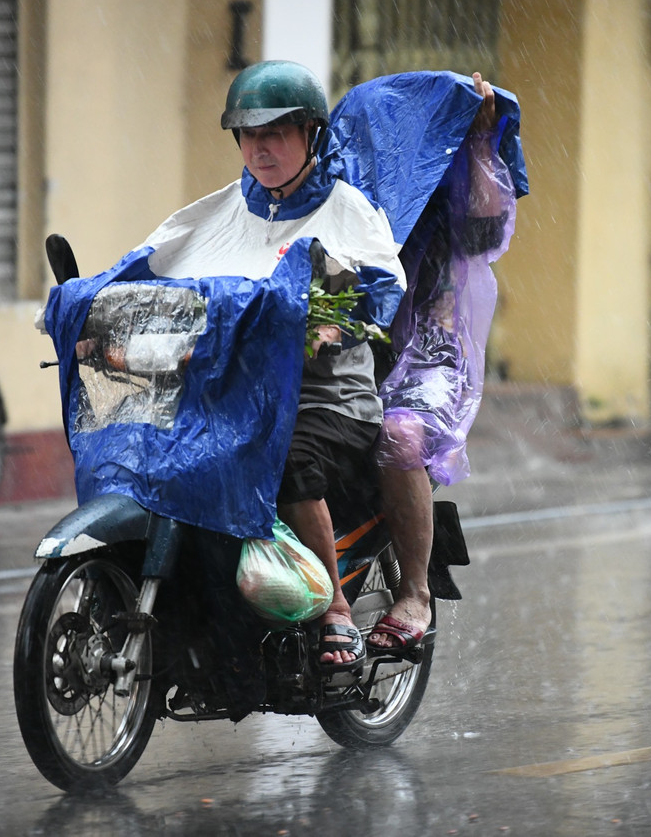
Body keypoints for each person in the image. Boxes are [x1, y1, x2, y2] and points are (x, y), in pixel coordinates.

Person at [132, 60, 406, 672]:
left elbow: (383, 285)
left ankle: (335, 608)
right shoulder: (224, 209)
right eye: (250, 134)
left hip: (327, 403)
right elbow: (146, 265)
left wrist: (335, 320)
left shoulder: (346, 208)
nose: (261, 147)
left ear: (311, 133)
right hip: (228, 398)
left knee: (283, 465)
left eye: (277, 132)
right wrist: (82, 314)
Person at [367, 73, 517, 651]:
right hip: (357, 350)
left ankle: (414, 593)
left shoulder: (450, 189)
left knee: (399, 435)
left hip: (431, 360)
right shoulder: (349, 190)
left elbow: (482, 229)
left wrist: (478, 141)